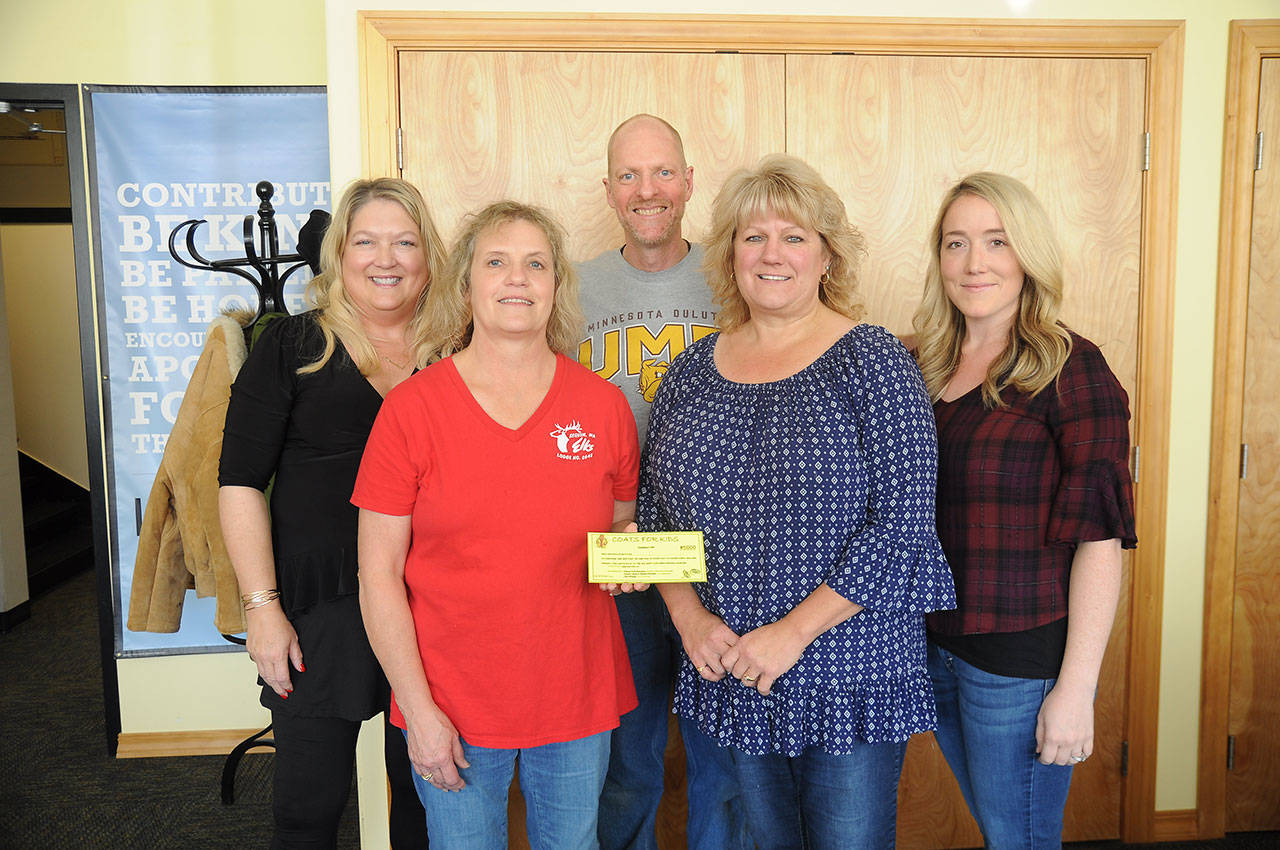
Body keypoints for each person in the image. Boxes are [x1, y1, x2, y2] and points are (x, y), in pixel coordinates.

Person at [639, 153, 956, 849]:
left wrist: (793, 634)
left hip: (850, 669)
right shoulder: (692, 370)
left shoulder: (872, 363)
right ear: (729, 256)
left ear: (826, 258)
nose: (772, 254)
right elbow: (654, 512)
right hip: (733, 668)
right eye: (753, 237)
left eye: (794, 236)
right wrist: (689, 619)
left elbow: (902, 528)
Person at [354, 201, 640, 850]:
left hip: (574, 695)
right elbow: (378, 578)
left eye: (536, 264)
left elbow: (619, 528)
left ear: (557, 286)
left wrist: (628, 559)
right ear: (466, 285)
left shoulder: (603, 407)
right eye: (498, 263)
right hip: (450, 700)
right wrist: (419, 712)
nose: (518, 278)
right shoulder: (411, 412)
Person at [912, 172, 1137, 849]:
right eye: (956, 243)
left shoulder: (1071, 368)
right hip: (934, 646)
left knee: (1019, 837)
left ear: (1027, 256)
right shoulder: (926, 366)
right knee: (998, 827)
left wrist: (1076, 690)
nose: (974, 262)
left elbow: (1101, 539)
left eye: (996, 241)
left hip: (1019, 660)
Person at [218, 177, 444, 849]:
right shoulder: (289, 346)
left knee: (430, 801)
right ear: (339, 255)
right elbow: (239, 484)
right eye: (366, 241)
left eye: (405, 242)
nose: (386, 259)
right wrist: (261, 607)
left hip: (432, 610)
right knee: (308, 810)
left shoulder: (457, 351)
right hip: (319, 609)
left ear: (428, 256)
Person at [576, 113, 747, 850]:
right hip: (622, 549)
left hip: (725, 548)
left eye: (662, 172)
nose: (647, 190)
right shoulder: (571, 289)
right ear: (609, 189)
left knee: (726, 758)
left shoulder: (735, 277)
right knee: (629, 757)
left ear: (688, 182)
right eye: (629, 175)